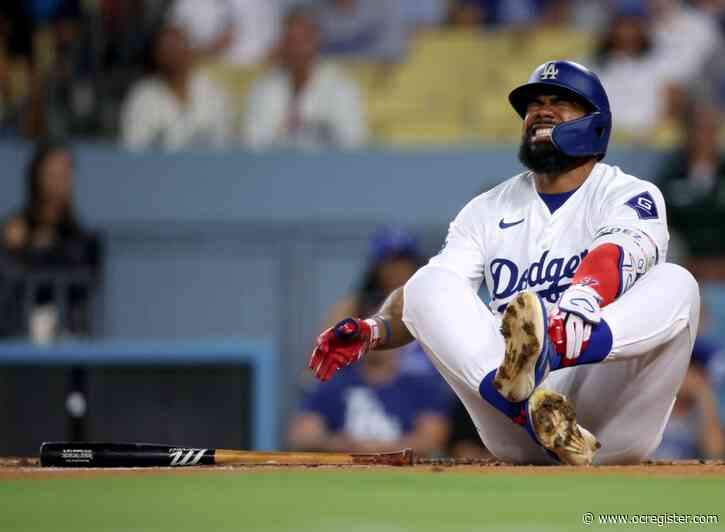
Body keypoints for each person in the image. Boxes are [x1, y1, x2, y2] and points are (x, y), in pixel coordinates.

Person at [307, 60, 700, 465]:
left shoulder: (629, 193)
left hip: (609, 421)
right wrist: (375, 328)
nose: (541, 111)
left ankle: (553, 353)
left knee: (679, 283)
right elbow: (430, 299)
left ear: (596, 123)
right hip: (513, 421)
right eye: (534, 104)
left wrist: (567, 322)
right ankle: (532, 413)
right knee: (428, 282)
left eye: (560, 102)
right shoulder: (485, 209)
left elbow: (617, 254)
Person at [0, 141, 101, 337]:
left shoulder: (81, 237)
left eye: (65, 174)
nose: (58, 181)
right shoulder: (14, 230)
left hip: (68, 334)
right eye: (52, 173)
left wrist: (43, 250)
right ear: (37, 176)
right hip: (16, 335)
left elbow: (83, 281)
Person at [288, 343, 450, 456]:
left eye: (385, 335)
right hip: (343, 472)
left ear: (400, 341)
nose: (378, 342)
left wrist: (381, 449)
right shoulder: (334, 384)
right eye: (370, 335)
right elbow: (301, 435)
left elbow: (432, 440)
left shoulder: (421, 387)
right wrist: (337, 443)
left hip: (402, 473)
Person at [242, 7, 367, 150]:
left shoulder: (341, 88)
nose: (297, 48)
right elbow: (253, 143)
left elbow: (353, 143)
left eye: (303, 40)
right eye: (291, 40)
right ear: (283, 44)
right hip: (277, 168)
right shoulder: (265, 88)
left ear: (316, 41)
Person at [120, 25, 234, 151]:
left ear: (188, 52)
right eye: (166, 49)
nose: (172, 55)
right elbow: (134, 147)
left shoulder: (213, 92)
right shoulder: (142, 97)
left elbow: (223, 143)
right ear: (156, 55)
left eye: (176, 47)